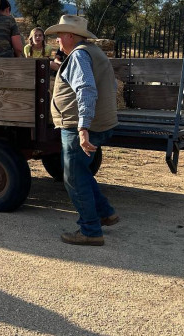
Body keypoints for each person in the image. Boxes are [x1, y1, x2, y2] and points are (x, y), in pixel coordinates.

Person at [46, 15, 119, 246]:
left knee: (74, 178)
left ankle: (90, 230)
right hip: (100, 123)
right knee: (81, 172)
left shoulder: (78, 55)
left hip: (81, 125)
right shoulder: (92, 52)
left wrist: (83, 127)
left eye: (60, 35)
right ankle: (105, 213)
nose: (57, 39)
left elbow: (86, 89)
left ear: (70, 35)